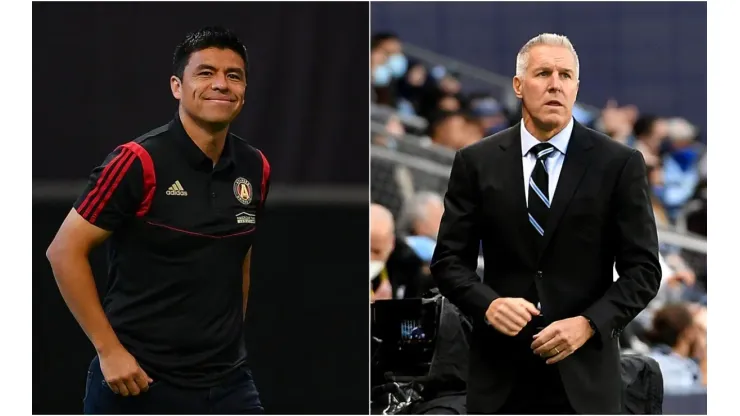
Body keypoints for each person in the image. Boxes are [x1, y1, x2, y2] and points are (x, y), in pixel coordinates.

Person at [430, 33, 661, 414]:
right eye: (543, 73)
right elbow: (448, 262)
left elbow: (644, 270)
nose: (555, 84)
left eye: (565, 75)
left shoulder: (618, 163)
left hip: (584, 379)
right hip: (499, 378)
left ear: (576, 87)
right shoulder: (476, 161)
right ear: (519, 86)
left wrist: (588, 323)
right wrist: (488, 305)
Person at [45, 26, 269, 414]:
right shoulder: (138, 161)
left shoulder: (255, 166)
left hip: (228, 383)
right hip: (138, 383)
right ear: (176, 86)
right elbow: (63, 251)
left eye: (234, 75)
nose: (221, 84)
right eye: (205, 72)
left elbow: (239, 254)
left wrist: (228, 340)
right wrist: (109, 351)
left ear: (245, 90)